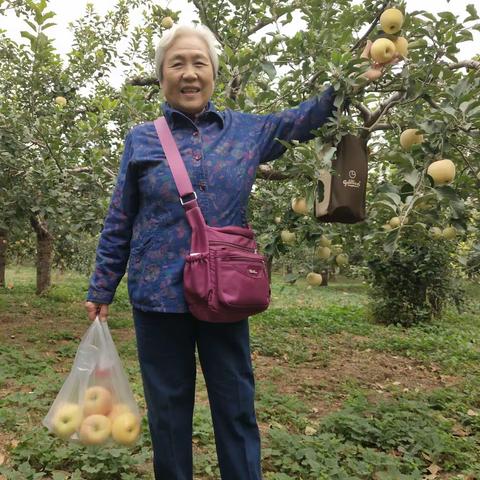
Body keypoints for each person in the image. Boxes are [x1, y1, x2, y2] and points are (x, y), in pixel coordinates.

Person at [85, 23, 393, 480]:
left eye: (199, 63)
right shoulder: (142, 140)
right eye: (177, 64)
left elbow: (306, 118)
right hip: (158, 296)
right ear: (162, 75)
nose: (189, 73)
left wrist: (353, 81)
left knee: (235, 405)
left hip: (224, 295)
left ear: (213, 72)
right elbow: (120, 219)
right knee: (168, 414)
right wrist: (101, 287)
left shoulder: (248, 131)